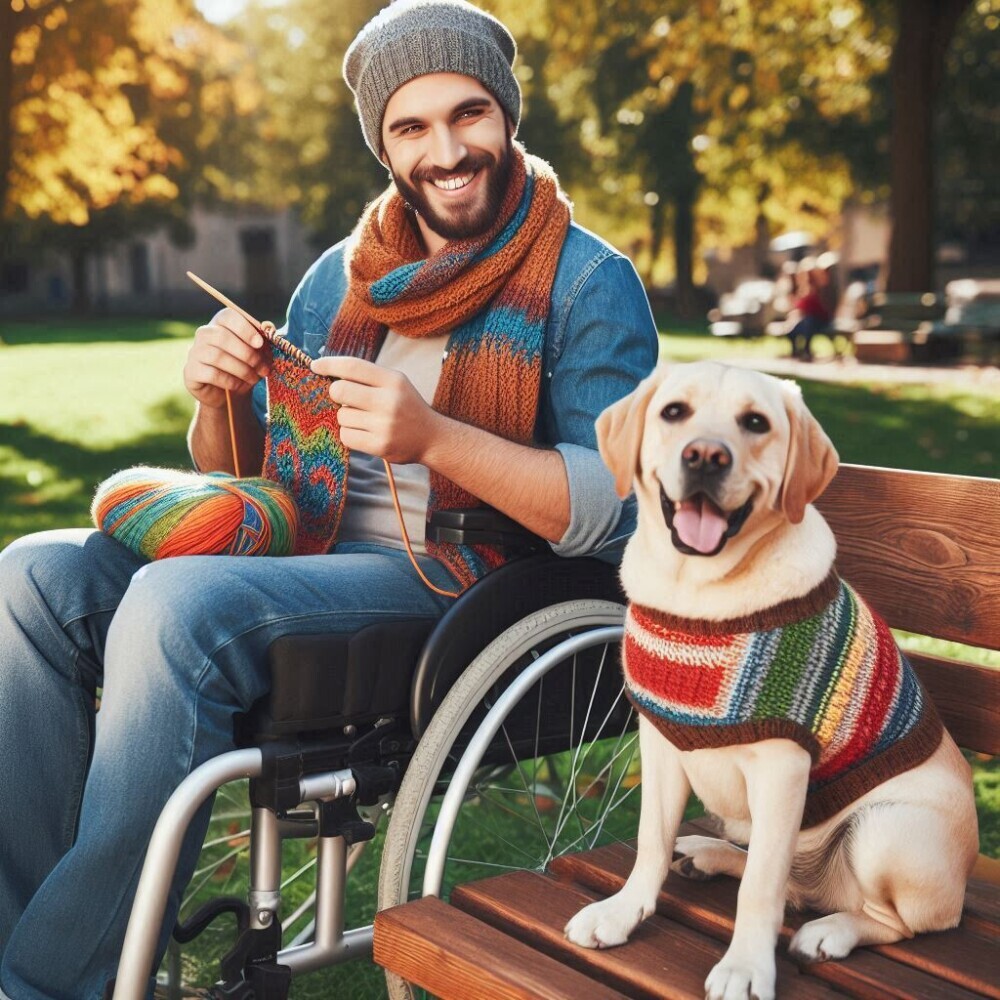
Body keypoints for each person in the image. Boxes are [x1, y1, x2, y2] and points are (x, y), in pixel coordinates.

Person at [0, 1, 658, 996]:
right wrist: (217, 393)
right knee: (29, 578)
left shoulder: (585, 281)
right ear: (384, 144)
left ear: (508, 115)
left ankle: (58, 980)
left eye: (468, 113)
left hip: (458, 578)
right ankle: (36, 930)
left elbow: (607, 508)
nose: (448, 150)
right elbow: (253, 469)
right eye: (412, 126)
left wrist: (432, 436)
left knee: (179, 603)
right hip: (299, 544)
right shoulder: (343, 276)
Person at [784, 258, 833, 361]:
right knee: (794, 327)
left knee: (808, 323)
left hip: (819, 319)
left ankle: (806, 351)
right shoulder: (802, 289)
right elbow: (799, 307)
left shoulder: (820, 289)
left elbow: (816, 308)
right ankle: (796, 351)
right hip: (807, 319)